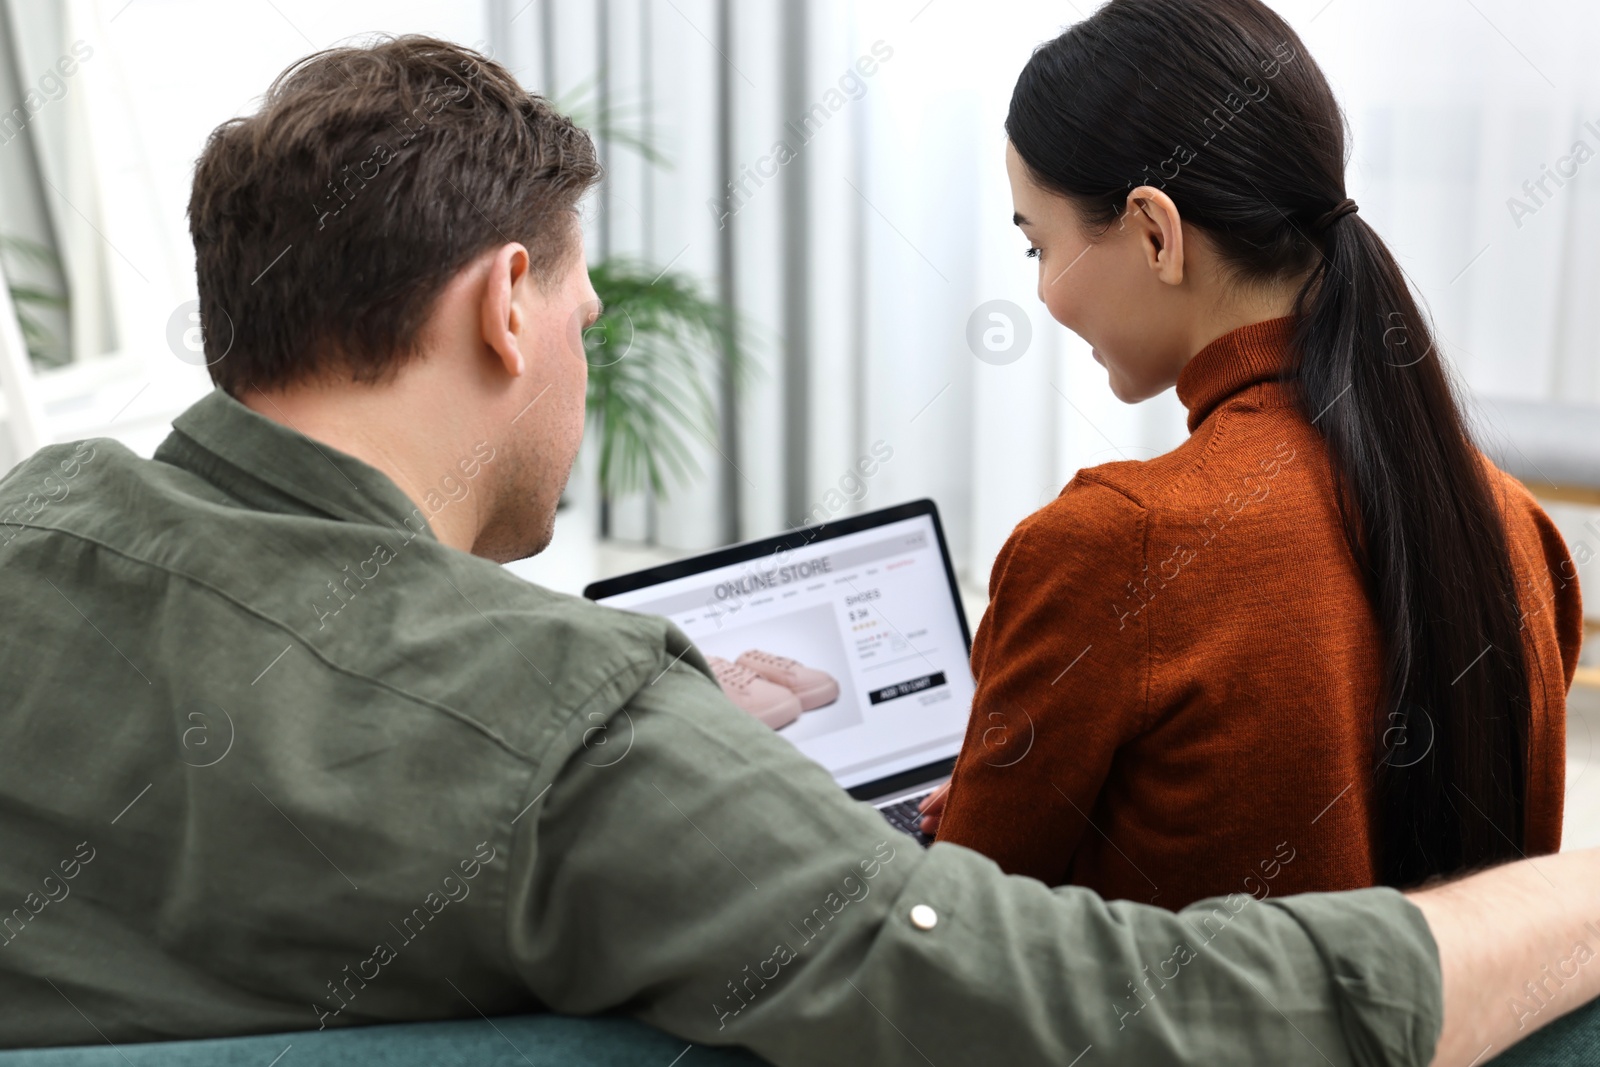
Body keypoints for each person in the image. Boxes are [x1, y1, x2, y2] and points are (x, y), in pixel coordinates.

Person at [0, 33, 1595, 1067]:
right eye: (578, 287)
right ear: (504, 303)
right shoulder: (1511, 525)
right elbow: (1038, 989)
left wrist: (702, 759)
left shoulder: (38, 523)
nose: (597, 319)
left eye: (1039, 243)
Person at [920, 0, 1582, 911]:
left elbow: (951, 935)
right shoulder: (1514, 523)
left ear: (1155, 231)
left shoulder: (1109, 546)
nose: (1043, 295)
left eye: (1039, 246)